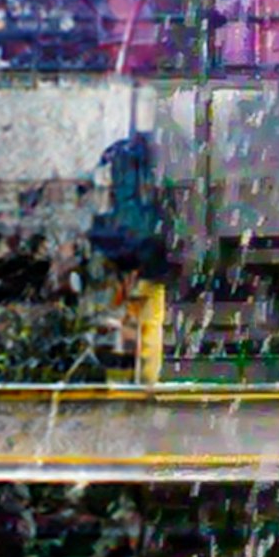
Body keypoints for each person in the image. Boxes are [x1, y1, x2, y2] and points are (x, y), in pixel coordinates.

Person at [89, 132, 180, 386]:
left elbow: (115, 229)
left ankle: (122, 382)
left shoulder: (120, 184)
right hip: (153, 266)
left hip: (127, 267)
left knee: (124, 324)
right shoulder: (156, 180)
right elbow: (166, 226)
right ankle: (147, 381)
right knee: (150, 327)